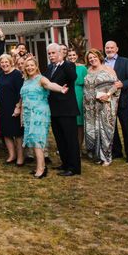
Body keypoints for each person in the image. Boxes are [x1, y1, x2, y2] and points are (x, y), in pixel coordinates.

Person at [21, 57, 69, 178]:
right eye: (27, 66)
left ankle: (41, 169)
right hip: (28, 113)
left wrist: (60, 89)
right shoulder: (26, 80)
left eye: (32, 65)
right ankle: (40, 164)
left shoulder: (41, 79)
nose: (29, 68)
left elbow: (50, 84)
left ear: (36, 66)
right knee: (33, 139)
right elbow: (23, 97)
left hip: (39, 113)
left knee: (38, 140)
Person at [44, 43, 80, 176]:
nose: (51, 56)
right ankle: (65, 163)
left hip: (67, 109)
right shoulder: (49, 68)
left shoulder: (68, 65)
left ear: (60, 53)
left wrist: (63, 62)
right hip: (54, 109)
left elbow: (73, 78)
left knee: (70, 139)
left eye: (53, 53)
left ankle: (74, 167)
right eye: (49, 53)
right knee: (60, 139)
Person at [83, 49, 120, 166]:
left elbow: (117, 84)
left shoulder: (107, 69)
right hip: (90, 106)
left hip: (105, 105)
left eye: (94, 57)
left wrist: (108, 94)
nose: (92, 59)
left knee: (105, 130)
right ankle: (97, 156)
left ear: (99, 57)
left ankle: (107, 157)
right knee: (93, 130)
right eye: (90, 58)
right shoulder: (88, 70)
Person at [104, 41, 128, 162]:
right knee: (112, 128)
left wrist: (122, 84)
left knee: (127, 128)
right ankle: (116, 151)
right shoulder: (102, 62)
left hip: (122, 99)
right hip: (107, 100)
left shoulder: (125, 61)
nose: (109, 49)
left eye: (112, 47)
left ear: (117, 49)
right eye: (107, 47)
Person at [0, 54, 24, 166]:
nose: (4, 64)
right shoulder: (1, 76)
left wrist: (18, 107)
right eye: (2, 62)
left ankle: (21, 157)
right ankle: (12, 155)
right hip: (4, 107)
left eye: (6, 62)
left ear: (11, 62)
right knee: (6, 133)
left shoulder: (17, 74)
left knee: (17, 134)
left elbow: (22, 92)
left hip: (15, 107)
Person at [67, 49, 88, 151]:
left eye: (73, 55)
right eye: (69, 55)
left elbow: (87, 84)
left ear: (77, 56)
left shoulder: (82, 68)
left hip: (80, 95)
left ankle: (79, 147)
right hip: (68, 95)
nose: (72, 57)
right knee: (71, 123)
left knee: (79, 123)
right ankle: (71, 146)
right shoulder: (65, 67)